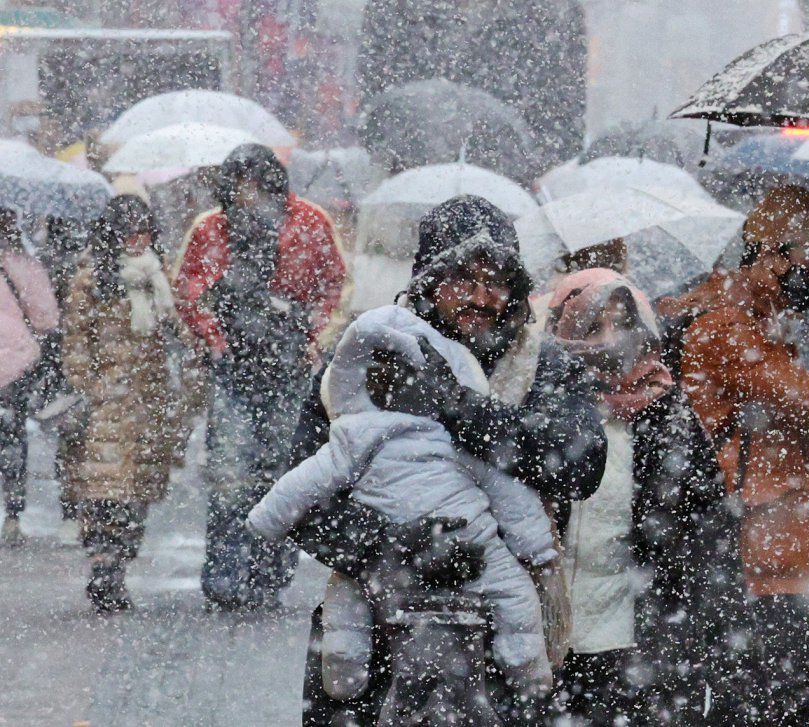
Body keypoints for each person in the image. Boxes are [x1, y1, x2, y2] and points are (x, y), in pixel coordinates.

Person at [288, 195, 606, 724]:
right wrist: (394, 549)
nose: (481, 298)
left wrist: (464, 410)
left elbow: (580, 465)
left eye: (497, 281)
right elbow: (302, 493)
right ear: (426, 282)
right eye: (463, 279)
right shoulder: (362, 354)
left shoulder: (542, 365)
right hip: (375, 629)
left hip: (508, 632)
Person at [662, 185, 809, 725]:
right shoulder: (727, 328)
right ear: (772, 258)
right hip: (748, 561)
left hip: (783, 557)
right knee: (761, 707)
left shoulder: (765, 329)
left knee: (784, 706)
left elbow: (805, 446)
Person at [250, 306, 557, 697]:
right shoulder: (454, 432)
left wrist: (266, 518)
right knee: (514, 595)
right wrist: (536, 546)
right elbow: (504, 490)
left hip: (421, 548)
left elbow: (302, 484)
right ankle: (526, 668)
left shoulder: (354, 436)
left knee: (348, 603)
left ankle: (344, 667)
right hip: (468, 538)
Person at [543, 268, 752, 723]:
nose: (610, 340)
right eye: (592, 327)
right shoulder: (543, 407)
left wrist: (717, 650)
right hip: (546, 643)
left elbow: (707, 536)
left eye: (622, 323)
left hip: (640, 643)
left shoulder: (669, 415)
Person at [174, 143, 347, 610]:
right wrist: (217, 340)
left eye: (255, 185)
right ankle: (226, 573)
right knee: (230, 473)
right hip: (234, 368)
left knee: (281, 474)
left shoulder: (311, 223)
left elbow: (335, 283)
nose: (247, 195)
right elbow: (189, 291)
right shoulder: (211, 229)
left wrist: (313, 338)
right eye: (239, 185)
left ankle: (269, 573)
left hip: (289, 368)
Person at [60, 196, 190, 611]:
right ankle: (104, 566)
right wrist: (92, 385)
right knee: (102, 492)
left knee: (137, 495)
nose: (138, 239)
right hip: (106, 406)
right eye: (129, 230)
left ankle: (117, 566)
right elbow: (75, 340)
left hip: (149, 405)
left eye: (145, 230)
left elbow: (180, 328)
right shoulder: (93, 278)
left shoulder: (160, 275)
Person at [0, 207, 60, 545]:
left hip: (13, 364)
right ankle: (12, 513)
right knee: (11, 437)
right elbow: (46, 319)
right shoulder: (24, 265)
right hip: (14, 366)